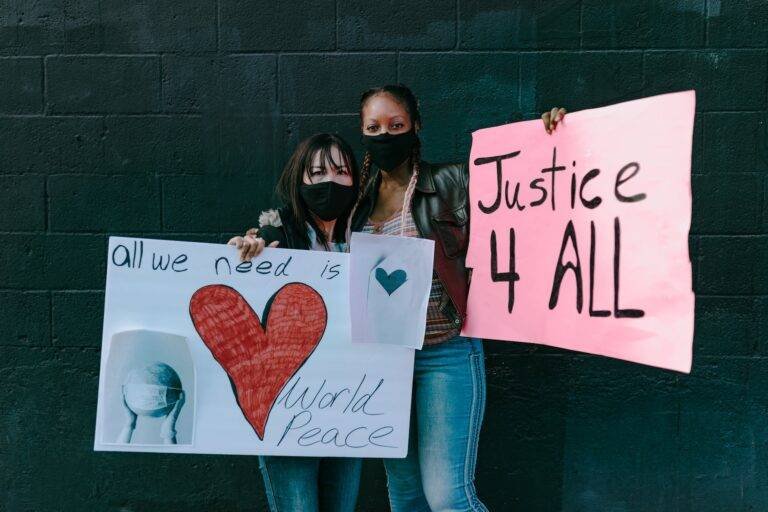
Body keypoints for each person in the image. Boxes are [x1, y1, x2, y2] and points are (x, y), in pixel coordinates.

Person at [349, 84, 565, 511]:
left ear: (416, 128)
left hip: (445, 353)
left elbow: (519, 197)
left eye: (396, 125)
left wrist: (547, 142)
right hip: (384, 364)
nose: (385, 135)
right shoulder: (354, 199)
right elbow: (302, 235)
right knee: (406, 496)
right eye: (374, 127)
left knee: (449, 497)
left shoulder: (451, 181)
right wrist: (258, 240)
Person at [228, 133, 361, 512]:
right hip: (289, 405)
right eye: (316, 172)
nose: (328, 182)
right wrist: (247, 255)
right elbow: (244, 284)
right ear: (298, 180)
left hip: (352, 405)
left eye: (340, 171)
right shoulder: (277, 235)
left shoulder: (370, 235)